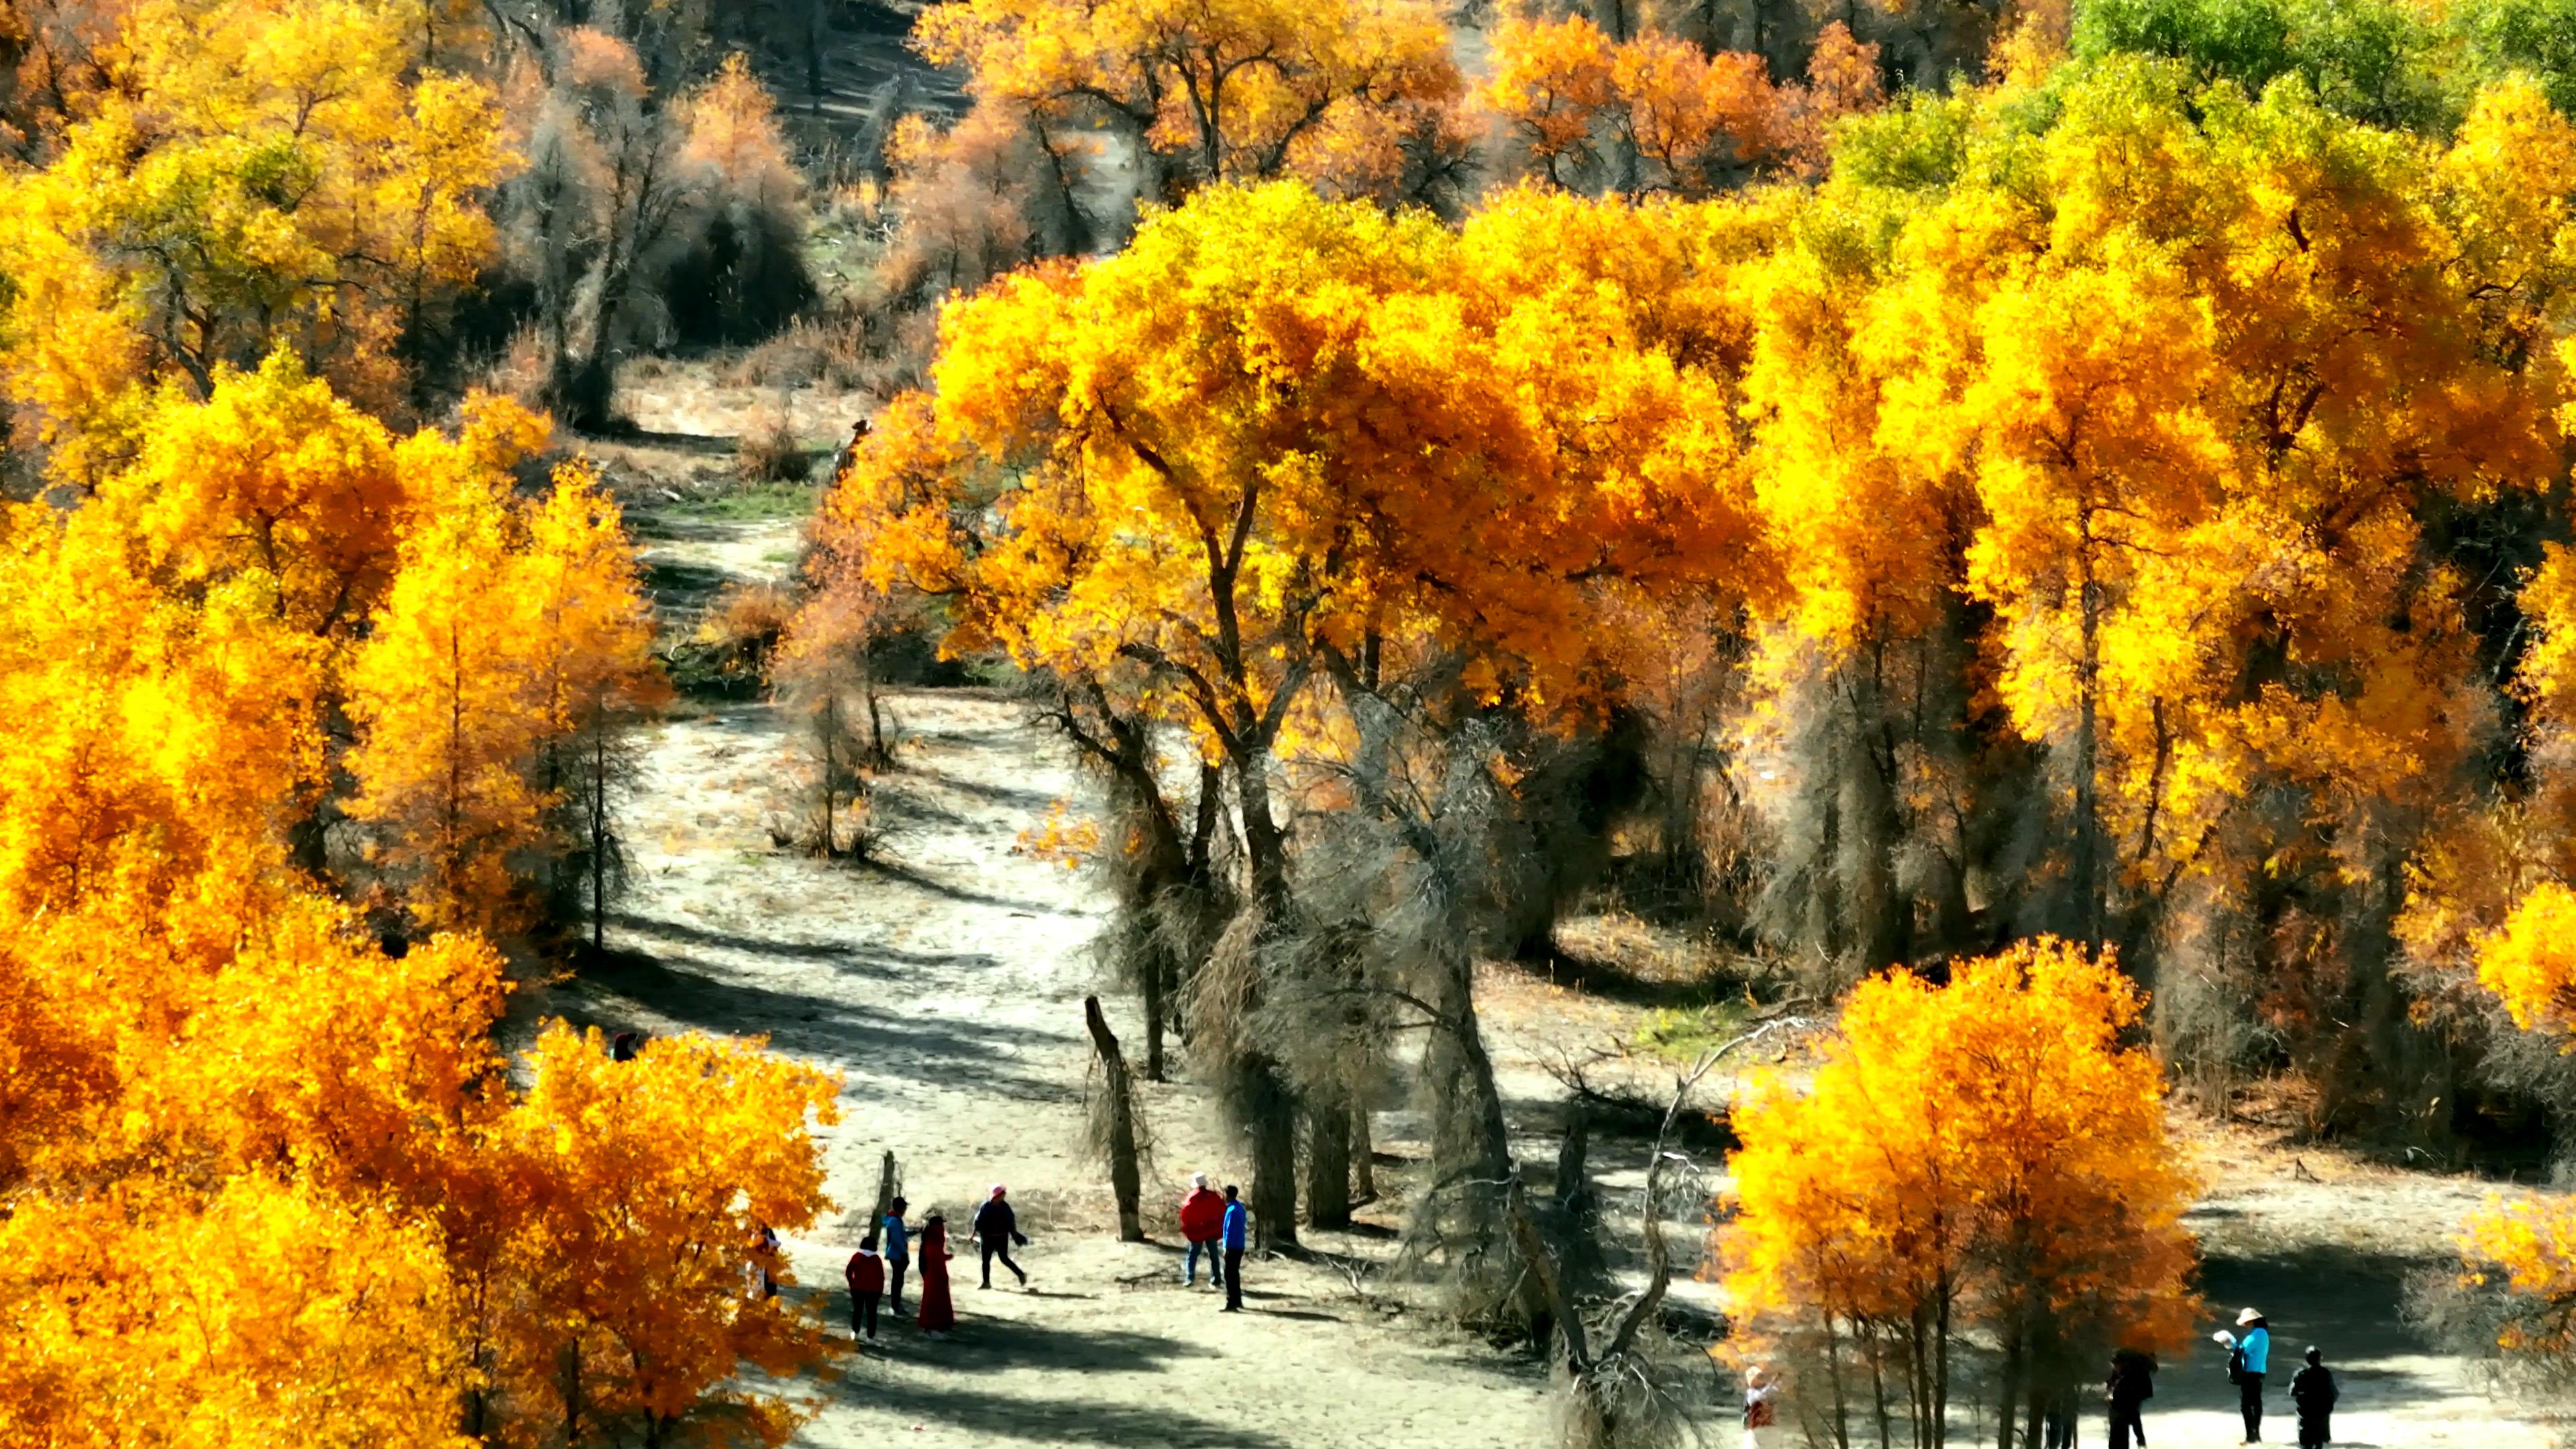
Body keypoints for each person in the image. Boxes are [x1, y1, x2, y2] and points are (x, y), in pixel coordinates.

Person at [972, 1183, 1029, 1289]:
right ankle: (986, 1283)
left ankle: (1021, 1274)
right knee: (985, 1260)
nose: (1004, 1196)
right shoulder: (985, 1206)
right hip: (987, 1237)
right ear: (997, 1196)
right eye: (1003, 1194)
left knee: (1004, 1258)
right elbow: (978, 1221)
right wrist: (973, 1235)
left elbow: (1011, 1222)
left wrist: (1015, 1235)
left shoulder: (1005, 1207)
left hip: (1001, 1237)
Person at [2228, 1308, 2272, 1444]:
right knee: (2256, 1403)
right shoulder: (2262, 1333)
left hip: (2251, 1372)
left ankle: (2250, 1436)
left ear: (2252, 1321)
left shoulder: (2257, 1333)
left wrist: (2230, 1343)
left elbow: (2243, 1349)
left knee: (2246, 1405)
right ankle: (2256, 1434)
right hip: (2259, 1371)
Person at [1179, 1172, 1225, 1288]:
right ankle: (1216, 1279)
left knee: (1193, 1255)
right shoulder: (1213, 1196)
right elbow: (1222, 1210)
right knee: (1214, 1255)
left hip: (1197, 1231)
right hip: (1211, 1230)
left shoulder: (1192, 1197)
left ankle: (1190, 1278)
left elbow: (1186, 1213)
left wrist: (1190, 1226)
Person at [2107, 1348, 2155, 1449]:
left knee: (2128, 1416)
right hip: (2129, 1398)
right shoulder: (2124, 1372)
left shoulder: (2132, 1376)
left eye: (2116, 1365)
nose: (2115, 1367)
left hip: (2132, 1395)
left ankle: (2138, 1441)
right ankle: (2139, 1441)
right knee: (2128, 1416)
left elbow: (2134, 1415)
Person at [916, 1212, 955, 1336]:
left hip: (936, 1273)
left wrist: (946, 1257)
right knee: (934, 1298)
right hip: (935, 1275)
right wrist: (946, 1257)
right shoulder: (933, 1241)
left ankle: (940, 1321)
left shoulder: (930, 1242)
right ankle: (933, 1322)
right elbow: (936, 1257)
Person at [2290, 1347, 2337, 1449]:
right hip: (2322, 1415)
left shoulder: (2300, 1374)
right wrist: (2328, 1407)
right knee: (2319, 1443)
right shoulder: (2325, 1373)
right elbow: (2334, 1393)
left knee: (2306, 1444)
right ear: (2320, 1359)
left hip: (2305, 1415)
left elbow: (2292, 1392)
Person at [845, 1234, 886, 1344]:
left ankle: (855, 1332)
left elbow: (849, 1271)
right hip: (873, 1291)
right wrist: (880, 1290)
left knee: (857, 1311)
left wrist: (852, 1283)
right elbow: (881, 1277)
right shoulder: (877, 1259)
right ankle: (870, 1336)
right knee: (872, 1314)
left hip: (858, 1289)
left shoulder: (857, 1256)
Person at [1220, 1185, 1248, 1313]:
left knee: (1229, 1275)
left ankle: (1231, 1302)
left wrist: (1226, 1247)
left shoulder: (1231, 1210)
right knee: (1234, 1274)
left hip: (1232, 1246)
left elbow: (1229, 1231)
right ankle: (1238, 1300)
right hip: (1240, 1245)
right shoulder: (1240, 1208)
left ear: (1228, 1195)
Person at [881, 1195, 910, 1316]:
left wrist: (913, 1232)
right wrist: (904, 1253)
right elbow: (897, 1239)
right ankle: (895, 1305)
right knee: (897, 1282)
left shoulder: (895, 1219)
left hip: (897, 1255)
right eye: (904, 1208)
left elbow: (902, 1234)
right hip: (897, 1255)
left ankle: (896, 1304)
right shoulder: (894, 1221)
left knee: (898, 1281)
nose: (905, 1211)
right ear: (901, 1208)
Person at [1743, 1365, 1783, 1449]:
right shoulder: (1750, 1392)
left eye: (1758, 1377)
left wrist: (1774, 1382)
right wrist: (1772, 1383)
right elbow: (1758, 1398)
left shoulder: (1771, 1389)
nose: (1753, 1381)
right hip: (1755, 1429)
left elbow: (1775, 1393)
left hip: (1770, 1428)